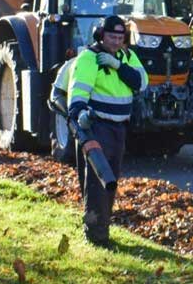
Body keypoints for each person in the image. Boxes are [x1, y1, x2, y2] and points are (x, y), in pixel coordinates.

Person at [59, 15, 146, 246]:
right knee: (98, 181)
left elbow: (141, 82)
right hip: (96, 126)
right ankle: (96, 236)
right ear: (101, 35)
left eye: (120, 37)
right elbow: (78, 91)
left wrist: (117, 65)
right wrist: (79, 115)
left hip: (119, 127)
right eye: (112, 37)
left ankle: (100, 229)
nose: (116, 42)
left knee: (111, 179)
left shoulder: (127, 56)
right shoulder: (89, 58)